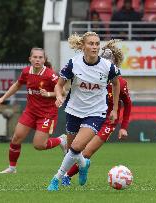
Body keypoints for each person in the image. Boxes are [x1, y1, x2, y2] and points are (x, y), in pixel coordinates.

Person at [47, 32, 121, 191]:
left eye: (97, 44)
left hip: (96, 112)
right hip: (73, 110)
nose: (94, 47)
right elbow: (59, 85)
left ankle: (56, 178)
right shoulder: (73, 64)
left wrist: (114, 109)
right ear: (83, 46)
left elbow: (116, 84)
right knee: (71, 150)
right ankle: (83, 164)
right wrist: (59, 96)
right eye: (91, 44)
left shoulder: (108, 67)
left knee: (77, 147)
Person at [61, 40, 132, 186]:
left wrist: (124, 126)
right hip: (89, 115)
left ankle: (66, 176)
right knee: (75, 149)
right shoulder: (91, 74)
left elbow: (128, 104)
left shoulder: (120, 82)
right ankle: (78, 168)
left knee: (86, 152)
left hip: (107, 121)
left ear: (114, 63)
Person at [0, 47, 67, 174]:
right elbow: (17, 85)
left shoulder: (50, 74)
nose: (37, 59)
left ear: (44, 60)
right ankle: (12, 168)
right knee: (16, 138)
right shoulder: (26, 72)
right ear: (30, 59)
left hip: (47, 114)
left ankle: (61, 140)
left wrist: (50, 94)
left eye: (40, 57)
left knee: (39, 145)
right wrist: (3, 98)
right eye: (35, 57)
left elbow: (63, 91)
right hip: (30, 112)